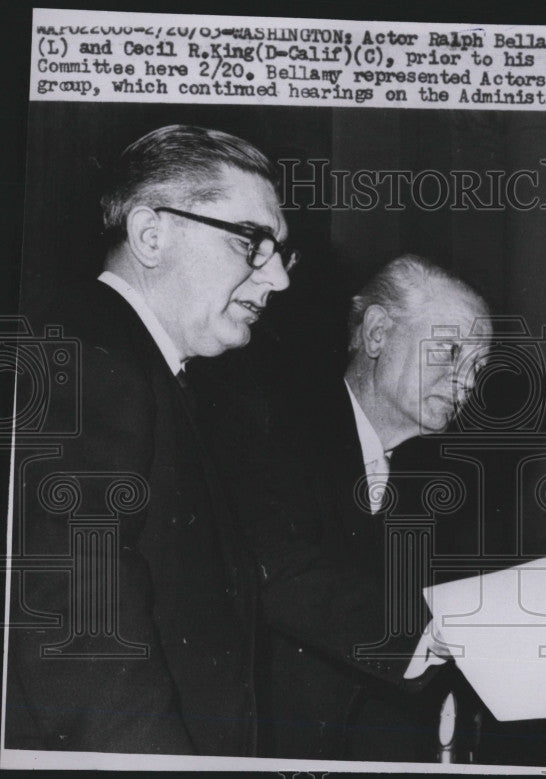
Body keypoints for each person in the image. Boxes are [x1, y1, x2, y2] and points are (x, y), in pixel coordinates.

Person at [6, 124, 295, 755]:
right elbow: (82, 635)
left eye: (280, 253)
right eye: (252, 242)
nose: (278, 280)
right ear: (150, 235)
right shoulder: (91, 361)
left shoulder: (145, 372)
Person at [247, 255, 492, 761]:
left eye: (478, 368)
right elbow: (278, 570)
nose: (467, 383)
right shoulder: (270, 420)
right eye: (450, 351)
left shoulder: (432, 493)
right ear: (378, 333)